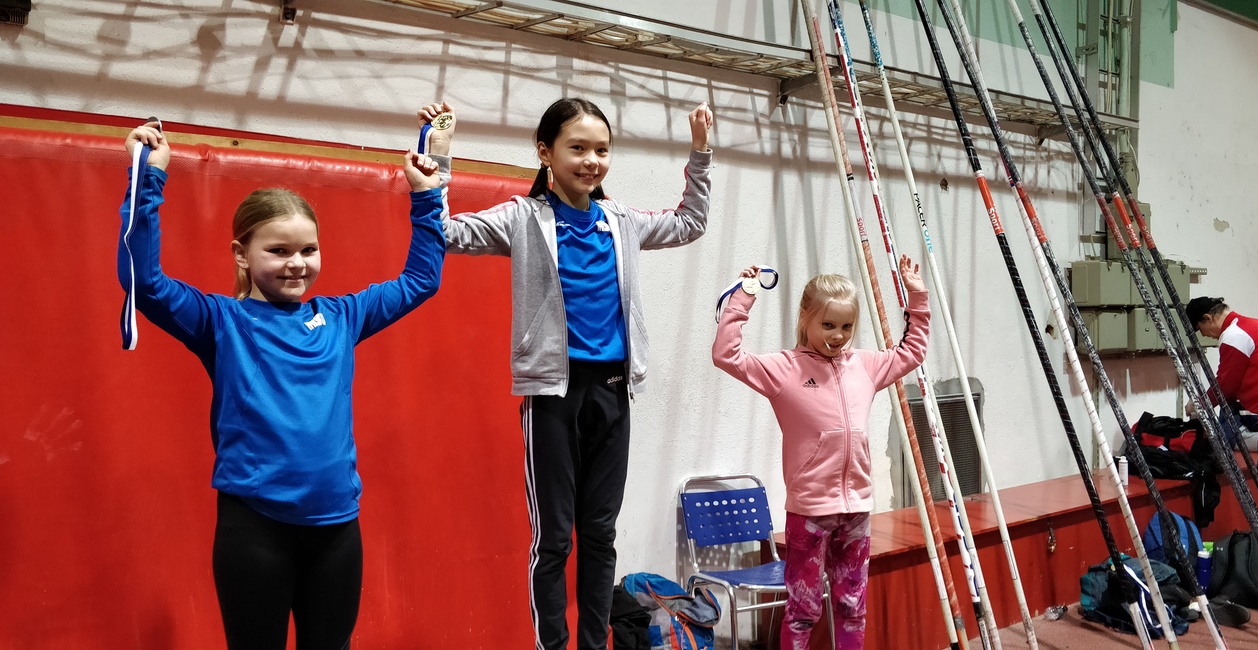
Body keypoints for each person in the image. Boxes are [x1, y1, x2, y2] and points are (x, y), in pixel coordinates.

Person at [118, 120, 446, 649]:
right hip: (256, 530)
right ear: (241, 254)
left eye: (308, 250)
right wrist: (147, 180)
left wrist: (428, 195)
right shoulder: (220, 321)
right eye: (278, 251)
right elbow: (145, 283)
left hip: (336, 530)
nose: (297, 264)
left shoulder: (342, 316)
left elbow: (421, 280)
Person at [415, 98, 713, 650]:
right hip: (554, 395)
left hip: (613, 393)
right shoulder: (523, 218)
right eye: (577, 148)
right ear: (545, 152)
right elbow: (444, 233)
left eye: (602, 150)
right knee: (553, 541)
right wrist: (439, 155)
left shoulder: (621, 222)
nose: (591, 160)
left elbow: (690, 222)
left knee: (600, 535)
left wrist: (700, 153)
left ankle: (594, 644)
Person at [712, 261, 930, 650]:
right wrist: (744, 297)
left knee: (852, 608)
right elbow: (726, 355)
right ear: (805, 317)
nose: (838, 336)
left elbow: (913, 351)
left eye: (846, 326)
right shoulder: (784, 370)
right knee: (802, 611)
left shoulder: (866, 365)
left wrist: (917, 296)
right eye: (828, 325)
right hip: (810, 513)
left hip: (856, 510)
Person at [1184, 296, 1258, 556]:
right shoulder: (1250, 327)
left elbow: (1225, 385)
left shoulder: (1234, 336)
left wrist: (1198, 404)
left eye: (1201, 329)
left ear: (1208, 319)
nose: (1206, 336)